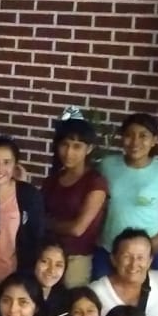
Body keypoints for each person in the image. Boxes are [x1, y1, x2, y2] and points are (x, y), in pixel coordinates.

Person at [95, 113, 158, 274]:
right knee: (101, 289)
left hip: (147, 252)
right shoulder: (107, 165)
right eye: (129, 135)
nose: (135, 142)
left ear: (154, 140)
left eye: (143, 136)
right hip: (108, 249)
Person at [42, 117, 107, 288]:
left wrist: (47, 223)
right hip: (47, 255)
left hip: (77, 258)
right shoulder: (53, 179)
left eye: (77, 146)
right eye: (65, 144)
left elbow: (77, 229)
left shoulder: (95, 182)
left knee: (71, 300)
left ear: (89, 149)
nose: (69, 152)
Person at [0, 135, 45, 294]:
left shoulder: (28, 195)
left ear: (15, 165)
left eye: (6, 162)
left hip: (17, 278)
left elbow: (37, 238)